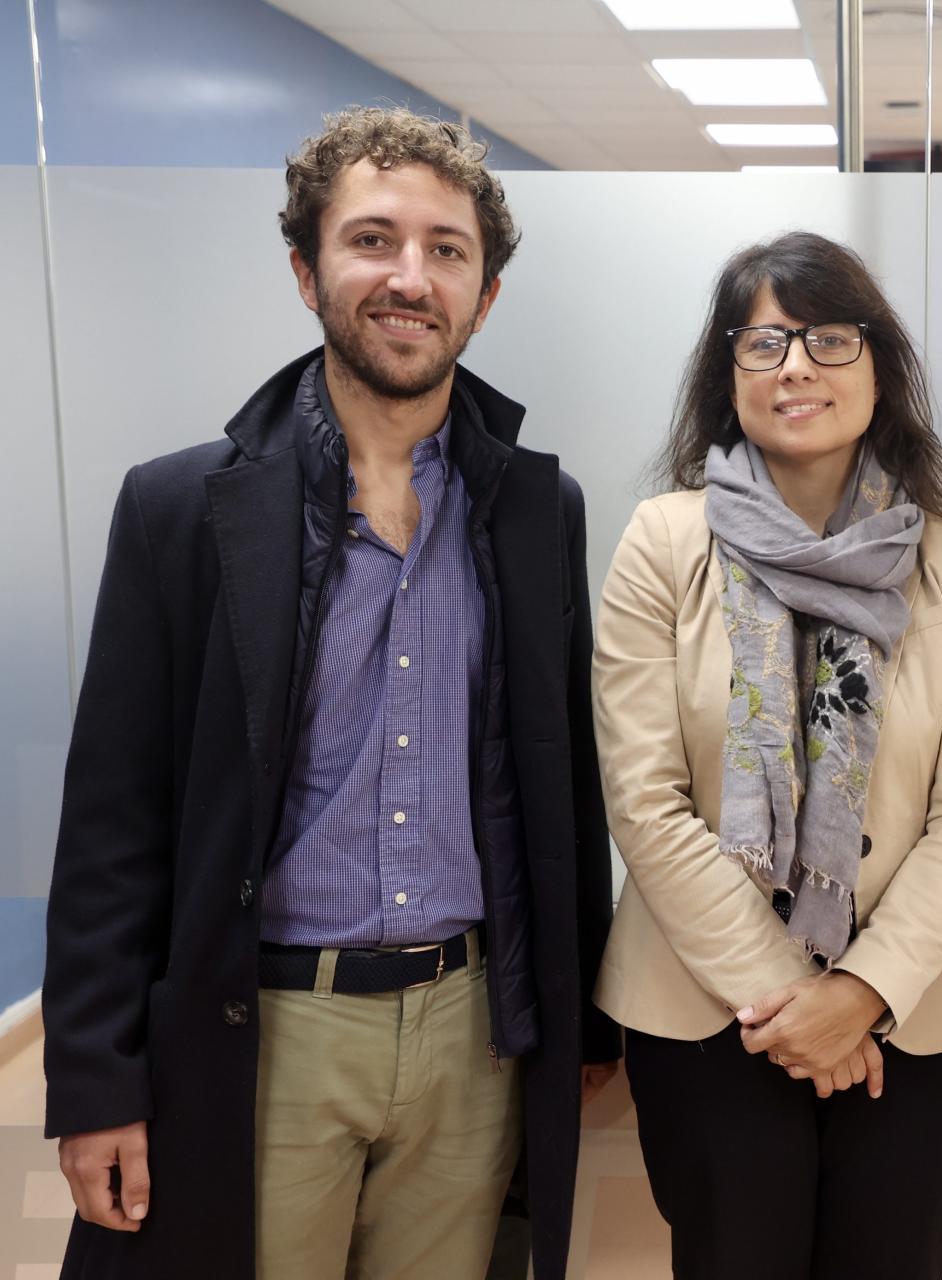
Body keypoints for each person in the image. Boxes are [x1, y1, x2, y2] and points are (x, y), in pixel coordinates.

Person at [42, 106, 618, 1280]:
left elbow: (565, 785)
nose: (411, 277)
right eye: (373, 240)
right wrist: (97, 1078)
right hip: (266, 1030)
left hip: (471, 1035)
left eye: (446, 250)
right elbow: (115, 817)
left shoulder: (532, 509)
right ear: (306, 271)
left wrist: (581, 1012)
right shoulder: (183, 510)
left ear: (484, 296)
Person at [592, 230, 942, 1279]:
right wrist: (795, 999)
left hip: (912, 1016)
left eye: (828, 338)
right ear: (724, 373)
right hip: (706, 1011)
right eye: (763, 341)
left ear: (879, 364)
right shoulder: (661, 540)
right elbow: (643, 801)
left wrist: (861, 992)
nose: (794, 366)